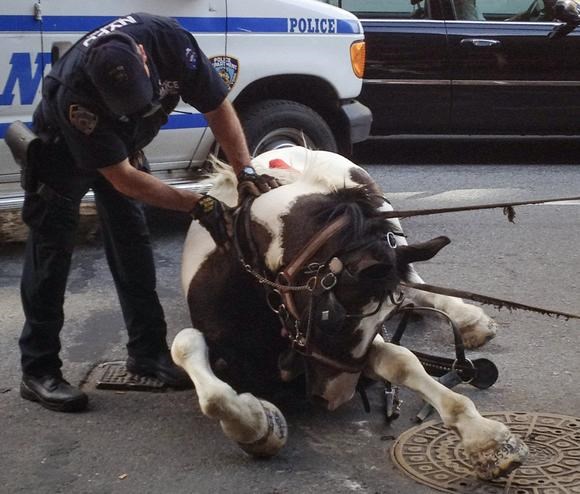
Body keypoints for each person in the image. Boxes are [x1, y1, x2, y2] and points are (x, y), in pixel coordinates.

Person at [16, 13, 278, 413]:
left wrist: (245, 169)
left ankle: (147, 355)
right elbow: (122, 179)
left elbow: (217, 106)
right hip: (62, 154)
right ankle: (38, 371)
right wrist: (198, 203)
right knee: (51, 255)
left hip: (123, 142)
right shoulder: (77, 95)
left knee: (133, 244)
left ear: (143, 56)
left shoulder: (171, 43)